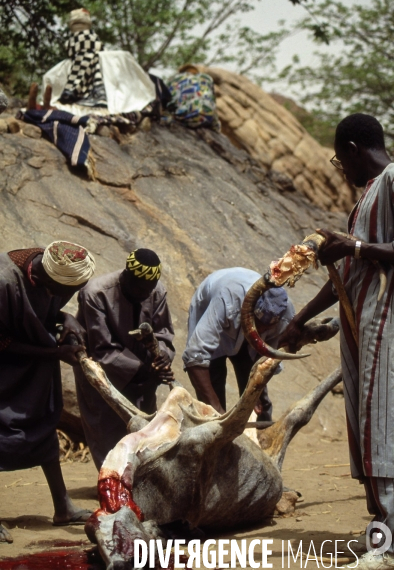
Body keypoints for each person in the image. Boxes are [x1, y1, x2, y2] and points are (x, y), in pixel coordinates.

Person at [280, 113, 394, 570]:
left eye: (338, 159)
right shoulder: (366, 197)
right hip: (360, 325)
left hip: (386, 325)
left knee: (382, 423)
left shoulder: (391, 180)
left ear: (351, 148)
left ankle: (388, 544)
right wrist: (299, 319)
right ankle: (381, 527)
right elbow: (347, 273)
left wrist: (357, 248)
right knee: (367, 422)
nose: (339, 169)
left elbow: (360, 257)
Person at [0, 241, 96, 543]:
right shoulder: (3, 280)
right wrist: (53, 354)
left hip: (35, 367)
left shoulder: (53, 265)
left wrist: (67, 319)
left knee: (43, 425)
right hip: (6, 366)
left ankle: (63, 507)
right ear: (43, 281)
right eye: (61, 291)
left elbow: (49, 308)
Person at [73, 248, 175, 470]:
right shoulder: (95, 293)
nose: (143, 294)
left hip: (144, 373)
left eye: (148, 290)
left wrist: (162, 359)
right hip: (101, 371)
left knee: (143, 428)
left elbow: (164, 335)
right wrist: (145, 369)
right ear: (125, 276)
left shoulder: (156, 291)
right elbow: (103, 348)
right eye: (138, 288)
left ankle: (140, 480)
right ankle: (113, 482)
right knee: (105, 428)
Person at [182, 267, 295, 417]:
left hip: (243, 328)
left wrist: (254, 393)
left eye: (266, 328)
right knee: (212, 408)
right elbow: (194, 357)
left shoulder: (285, 314)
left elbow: (265, 359)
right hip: (217, 312)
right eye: (257, 324)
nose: (261, 331)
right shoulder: (226, 300)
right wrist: (217, 412)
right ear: (250, 311)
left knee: (259, 405)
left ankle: (260, 428)